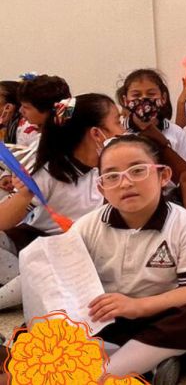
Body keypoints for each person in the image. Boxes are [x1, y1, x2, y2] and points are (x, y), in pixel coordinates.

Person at [76, 135, 186, 379]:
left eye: (137, 170)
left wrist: (136, 306)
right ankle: (148, 364)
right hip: (108, 321)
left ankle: (102, 374)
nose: (125, 183)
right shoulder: (87, 226)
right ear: (101, 188)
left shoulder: (185, 224)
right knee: (39, 328)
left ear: (163, 176)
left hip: (159, 314)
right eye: (112, 176)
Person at [0, 94, 124, 309]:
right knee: (44, 271)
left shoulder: (107, 171)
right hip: (36, 249)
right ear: (97, 133)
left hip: (77, 257)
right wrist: (24, 195)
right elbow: (3, 222)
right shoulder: (50, 172)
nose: (123, 130)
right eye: (117, 122)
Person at [119, 69, 186, 213]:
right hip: (130, 204)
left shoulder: (176, 133)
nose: (144, 99)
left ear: (163, 98)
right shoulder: (119, 133)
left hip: (170, 202)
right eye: (136, 95)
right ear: (125, 100)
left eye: (151, 94)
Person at [16, 74, 71, 147]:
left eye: (26, 107)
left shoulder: (63, 138)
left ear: (48, 111)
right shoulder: (26, 127)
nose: (20, 110)